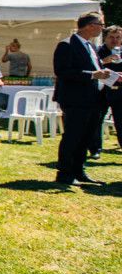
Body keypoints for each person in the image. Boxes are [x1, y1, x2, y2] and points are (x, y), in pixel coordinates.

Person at [52, 12, 110, 186]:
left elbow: (96, 69)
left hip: (93, 99)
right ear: (89, 25)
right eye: (100, 24)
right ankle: (65, 174)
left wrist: (112, 76)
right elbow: (62, 71)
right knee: (73, 136)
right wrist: (92, 74)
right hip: (75, 99)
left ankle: (79, 170)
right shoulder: (67, 44)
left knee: (86, 136)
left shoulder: (91, 47)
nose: (102, 28)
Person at [96, 25, 122, 152]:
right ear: (105, 38)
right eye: (111, 37)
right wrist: (104, 61)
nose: (115, 40)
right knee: (97, 119)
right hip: (102, 89)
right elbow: (93, 68)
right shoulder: (98, 51)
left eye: (118, 37)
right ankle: (96, 149)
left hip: (119, 90)